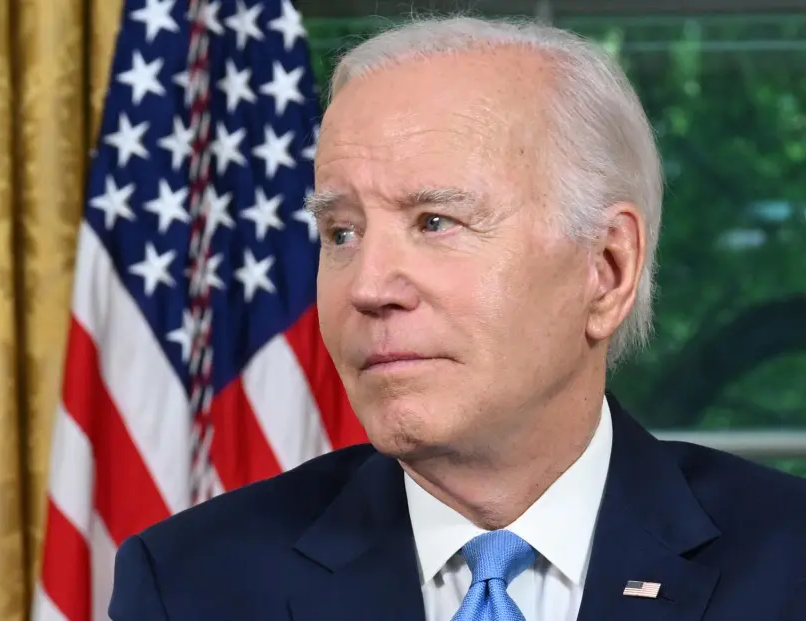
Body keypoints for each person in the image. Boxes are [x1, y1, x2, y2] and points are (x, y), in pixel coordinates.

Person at [108, 14, 806, 621]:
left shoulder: (787, 566)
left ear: (606, 269)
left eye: (435, 220)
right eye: (341, 233)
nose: (369, 287)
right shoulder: (193, 582)